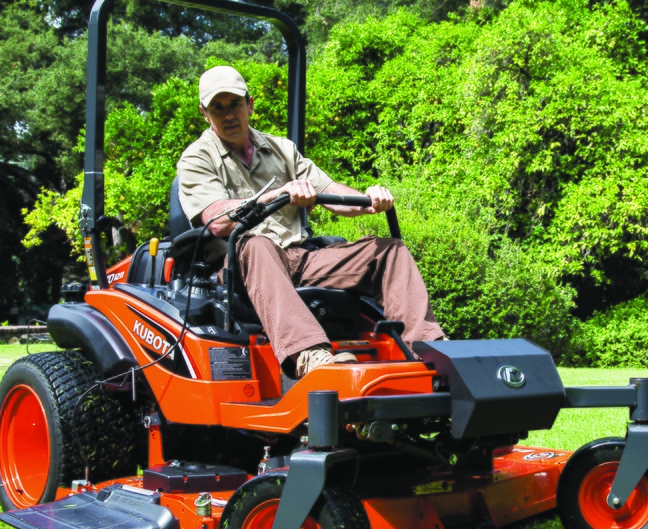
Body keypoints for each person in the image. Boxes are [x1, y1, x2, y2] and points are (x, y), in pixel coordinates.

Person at [176, 65, 446, 377]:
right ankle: (310, 356)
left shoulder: (281, 150)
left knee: (388, 251)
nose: (228, 115)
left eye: (234, 104)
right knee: (256, 244)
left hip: (299, 260)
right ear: (204, 113)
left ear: (250, 105)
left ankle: (429, 349)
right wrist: (277, 195)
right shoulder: (197, 158)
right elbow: (215, 220)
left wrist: (369, 201)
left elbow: (329, 191)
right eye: (217, 108)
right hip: (241, 266)